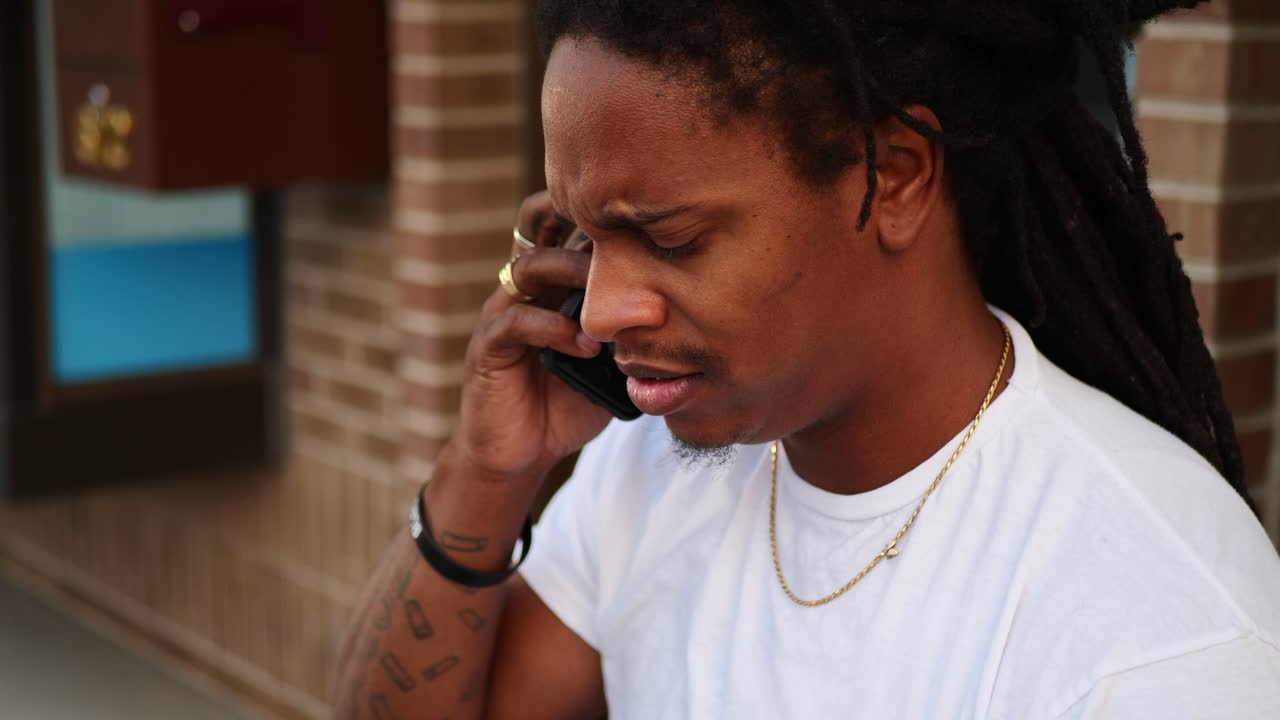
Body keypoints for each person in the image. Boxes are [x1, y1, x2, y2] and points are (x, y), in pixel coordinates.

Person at [333, 1, 1280, 717]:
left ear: (895, 177)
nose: (607, 308)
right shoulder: (654, 460)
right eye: (585, 237)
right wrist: (486, 473)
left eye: (669, 240)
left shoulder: (1157, 618)